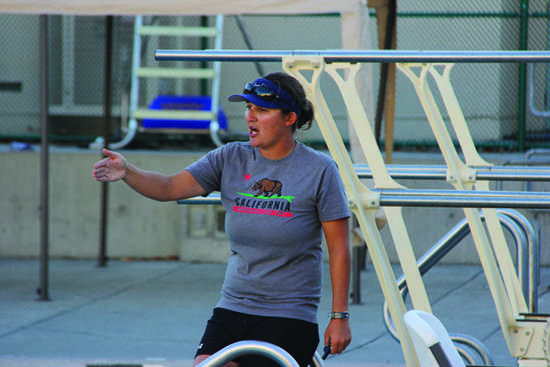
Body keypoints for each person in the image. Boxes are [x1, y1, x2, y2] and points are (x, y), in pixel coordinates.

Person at [93, 72, 352, 366]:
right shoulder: (230, 158)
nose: (250, 117)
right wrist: (128, 171)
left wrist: (339, 317)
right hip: (233, 307)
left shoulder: (320, 170)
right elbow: (168, 187)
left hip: (288, 314)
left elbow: (339, 249)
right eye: (248, 108)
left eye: (262, 110)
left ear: (289, 118)